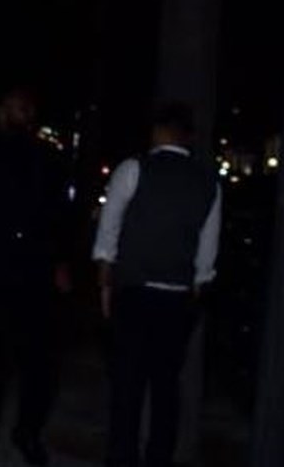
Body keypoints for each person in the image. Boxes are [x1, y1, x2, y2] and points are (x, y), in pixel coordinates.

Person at [92, 102, 221, 467]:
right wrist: (197, 286)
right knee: (166, 387)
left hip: (134, 290)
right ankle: (158, 458)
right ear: (188, 137)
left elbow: (109, 230)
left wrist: (105, 280)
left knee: (127, 385)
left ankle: (123, 458)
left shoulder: (134, 169)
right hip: (177, 297)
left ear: (158, 132)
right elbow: (207, 249)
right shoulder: (208, 182)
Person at [0, 88, 71, 467]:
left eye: (26, 108)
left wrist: (62, 263)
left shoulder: (49, 158)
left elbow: (61, 214)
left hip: (36, 274)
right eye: (14, 107)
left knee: (39, 368)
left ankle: (28, 432)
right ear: (1, 111)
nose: (20, 113)